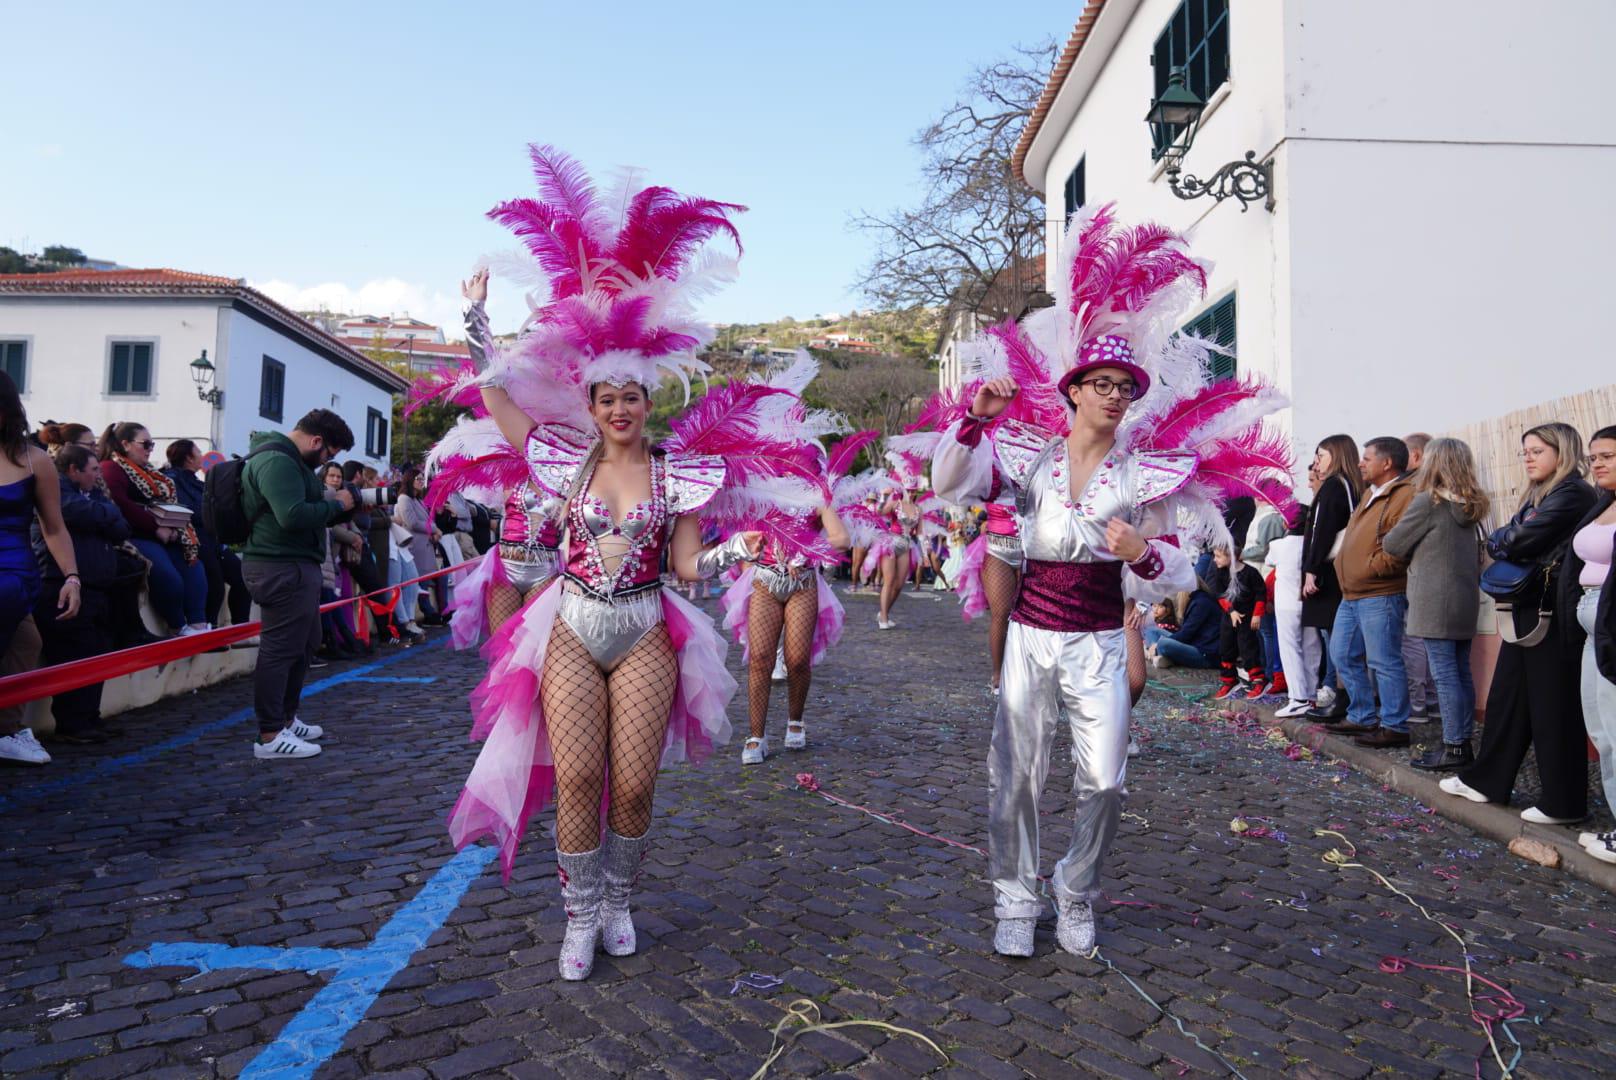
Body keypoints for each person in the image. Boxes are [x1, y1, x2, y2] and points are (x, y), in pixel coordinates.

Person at [446, 148, 827, 981]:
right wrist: (478, 326)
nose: (620, 409)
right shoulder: (561, 462)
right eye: (607, 398)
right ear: (590, 405)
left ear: (651, 402)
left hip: (650, 625)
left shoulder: (676, 475)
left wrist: (739, 546)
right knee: (578, 774)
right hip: (573, 623)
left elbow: (688, 567)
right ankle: (579, 916)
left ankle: (620, 898)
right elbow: (500, 399)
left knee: (635, 786)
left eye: (632, 397)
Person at [931, 204, 1289, 958]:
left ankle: (1076, 888)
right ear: (1072, 391)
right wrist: (973, 423)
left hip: (1098, 638)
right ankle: (1015, 898)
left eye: (1125, 385)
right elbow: (956, 488)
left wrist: (1141, 554)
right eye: (1099, 382)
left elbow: (1184, 570)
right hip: (1031, 636)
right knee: (1017, 778)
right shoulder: (1027, 454)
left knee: (1105, 782)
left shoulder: (1144, 475)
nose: (1114, 394)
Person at [1441, 423, 1597, 824]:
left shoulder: (1573, 492)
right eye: (1523, 451)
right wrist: (1510, 536)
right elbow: (1503, 537)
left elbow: (1518, 540)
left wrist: (1510, 536)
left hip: (1551, 611)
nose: (1527, 458)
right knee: (1509, 698)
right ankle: (1487, 781)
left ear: (1561, 453)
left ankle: (1563, 803)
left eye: (1536, 450)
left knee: (1552, 705)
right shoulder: (1541, 495)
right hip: (1528, 606)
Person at [239, 409, 356, 760]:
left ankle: (285, 719)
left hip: (293, 564)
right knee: (281, 648)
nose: (328, 463)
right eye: (329, 455)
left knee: (306, 642)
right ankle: (270, 734)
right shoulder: (277, 461)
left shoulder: (290, 461)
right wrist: (337, 507)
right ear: (317, 441)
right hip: (278, 565)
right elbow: (291, 516)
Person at [1382, 437, 1487, 770]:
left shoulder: (1430, 502)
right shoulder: (1472, 505)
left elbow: (1393, 543)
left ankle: (1455, 747)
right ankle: (1462, 742)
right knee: (1460, 673)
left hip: (1432, 598)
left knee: (1444, 675)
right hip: (1463, 598)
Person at [0, 373, 81, 766]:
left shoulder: (36, 461)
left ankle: (7, 731)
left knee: (25, 641)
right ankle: (8, 730)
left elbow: (53, 527)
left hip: (15, 571)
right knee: (26, 642)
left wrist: (72, 577)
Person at [1319, 437, 1415, 748]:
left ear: (1387, 463)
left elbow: (1402, 544)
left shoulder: (1404, 495)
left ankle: (1395, 725)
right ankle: (1361, 715)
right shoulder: (1369, 494)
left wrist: (1372, 567)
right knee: (1342, 653)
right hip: (1352, 593)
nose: (1361, 463)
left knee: (1383, 660)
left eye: (1367, 458)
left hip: (1380, 591)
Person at [31, 445, 127, 744]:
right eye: (93, 470)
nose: (99, 476)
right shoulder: (57, 492)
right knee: (73, 654)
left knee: (96, 653)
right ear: (73, 469)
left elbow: (122, 528)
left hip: (97, 588)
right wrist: (106, 515)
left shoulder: (94, 496)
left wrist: (104, 516)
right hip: (60, 586)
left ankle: (89, 717)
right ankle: (72, 724)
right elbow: (77, 513)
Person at [99, 423, 209, 637]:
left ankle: (199, 625)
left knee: (195, 567)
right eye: (146, 444)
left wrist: (176, 526)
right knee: (169, 577)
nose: (150, 449)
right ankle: (177, 626)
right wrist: (157, 526)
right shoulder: (111, 468)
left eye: (152, 444)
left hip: (164, 535)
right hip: (136, 536)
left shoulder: (149, 471)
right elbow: (122, 504)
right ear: (126, 444)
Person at [1569, 426, 1616, 863]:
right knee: (1600, 730)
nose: (1598, 464)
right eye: (1594, 456)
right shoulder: (1604, 502)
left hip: (1611, 622)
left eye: (1608, 456)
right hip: (1591, 624)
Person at [1301, 435, 1365, 720]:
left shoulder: (1334, 488)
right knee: (1338, 642)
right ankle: (1345, 698)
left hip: (1330, 574)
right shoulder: (1350, 486)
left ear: (1336, 456)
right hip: (1341, 571)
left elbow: (1323, 531)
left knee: (1337, 643)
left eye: (1322, 455)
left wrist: (1311, 569)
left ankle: (1345, 699)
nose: (1317, 463)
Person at [1268, 514, 1323, 718]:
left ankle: (1298, 697)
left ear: (1285, 523)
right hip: (1308, 602)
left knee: (1291, 649)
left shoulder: (1278, 545)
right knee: (1312, 647)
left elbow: (1269, 560)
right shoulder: (1312, 545)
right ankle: (1311, 695)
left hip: (1286, 604)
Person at [1208, 545, 1268, 700]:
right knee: (1226, 648)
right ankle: (1229, 680)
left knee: (1248, 648)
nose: (1215, 560)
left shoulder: (1250, 573)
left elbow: (1261, 593)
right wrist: (1231, 611)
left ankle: (1258, 680)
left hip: (1247, 619)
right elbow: (1219, 594)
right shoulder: (1220, 573)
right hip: (1229, 618)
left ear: (1231, 557)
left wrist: (1257, 615)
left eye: (1219, 556)